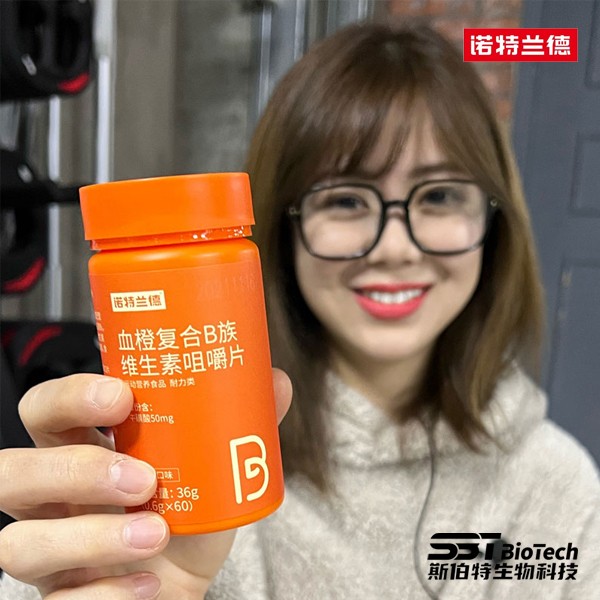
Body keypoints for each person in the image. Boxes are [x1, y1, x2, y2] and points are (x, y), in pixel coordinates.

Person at [0, 21, 598, 600]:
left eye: (440, 195)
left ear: (495, 221)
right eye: (345, 200)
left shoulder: (559, 488)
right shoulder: (162, 473)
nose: (395, 248)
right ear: (282, 226)